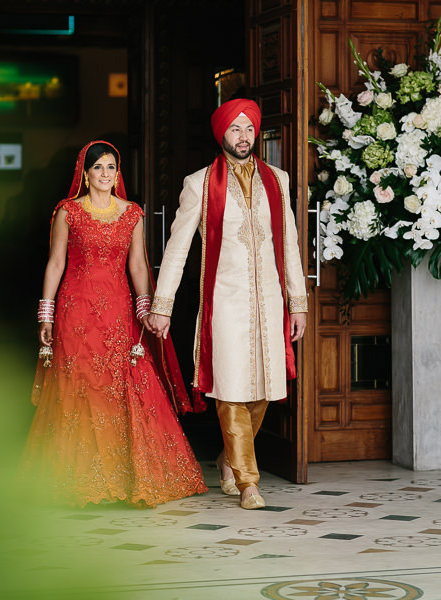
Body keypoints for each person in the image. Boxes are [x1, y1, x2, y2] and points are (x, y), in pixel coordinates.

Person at [20, 141, 207, 508]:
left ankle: (130, 479)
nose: (105, 174)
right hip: (75, 314)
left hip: (119, 314)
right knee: (81, 389)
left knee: (125, 387)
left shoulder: (132, 214)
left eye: (111, 167)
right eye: (98, 168)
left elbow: (138, 266)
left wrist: (146, 311)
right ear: (85, 174)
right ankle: (77, 482)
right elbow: (55, 264)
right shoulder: (67, 212)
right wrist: (45, 313)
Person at [145, 100, 308, 510]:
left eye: (248, 129)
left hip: (269, 302)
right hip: (225, 302)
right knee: (231, 390)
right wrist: (162, 304)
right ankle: (249, 483)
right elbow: (178, 247)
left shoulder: (279, 180)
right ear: (221, 135)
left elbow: (288, 243)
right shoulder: (200, 183)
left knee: (265, 391)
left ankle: (227, 459)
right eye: (235, 129)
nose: (243, 137)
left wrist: (298, 301)